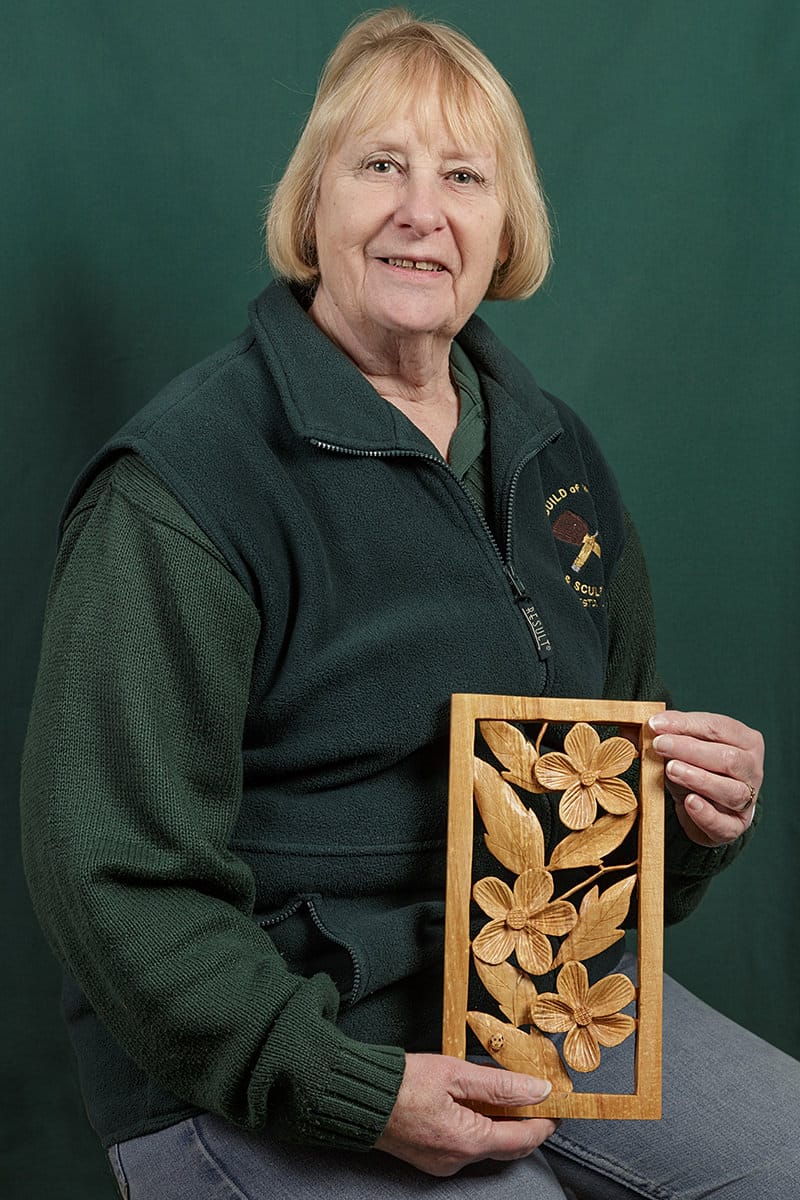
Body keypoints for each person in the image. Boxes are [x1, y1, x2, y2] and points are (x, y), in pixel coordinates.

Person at [20, 8, 799, 1199]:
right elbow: (110, 868)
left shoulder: (552, 454)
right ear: (311, 204)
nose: (418, 210)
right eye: (378, 164)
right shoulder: (183, 485)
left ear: (503, 228)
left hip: (532, 995)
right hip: (276, 1039)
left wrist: (684, 822)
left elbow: (604, 775)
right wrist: (343, 1084)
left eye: (462, 176)